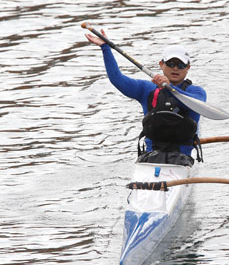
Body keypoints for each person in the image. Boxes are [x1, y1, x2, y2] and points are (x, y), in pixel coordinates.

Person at [85, 29, 206, 166]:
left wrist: (168, 87)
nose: (175, 68)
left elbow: (195, 104)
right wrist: (105, 48)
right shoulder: (146, 89)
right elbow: (117, 79)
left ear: (188, 67)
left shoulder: (197, 92)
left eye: (181, 65)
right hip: (150, 158)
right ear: (161, 64)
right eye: (171, 64)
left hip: (182, 160)